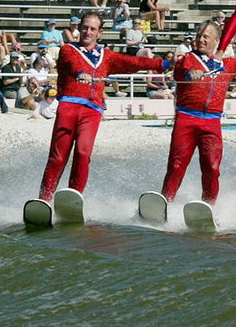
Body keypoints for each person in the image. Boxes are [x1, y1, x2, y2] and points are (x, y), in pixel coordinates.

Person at [37, 12, 166, 202]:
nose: (88, 32)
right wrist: (81, 72)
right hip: (69, 107)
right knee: (58, 157)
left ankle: (73, 198)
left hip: (92, 111)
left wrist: (163, 63)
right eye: (85, 28)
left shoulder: (106, 56)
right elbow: (72, 64)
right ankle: (44, 199)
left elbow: (134, 62)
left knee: (83, 153)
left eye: (93, 29)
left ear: (100, 33)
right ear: (79, 29)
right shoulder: (68, 50)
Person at [159, 21, 236, 205]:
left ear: (216, 41)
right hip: (187, 118)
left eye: (205, 37)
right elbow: (179, 72)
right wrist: (189, 73)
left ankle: (209, 205)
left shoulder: (228, 65)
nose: (200, 39)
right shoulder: (188, 59)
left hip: (212, 122)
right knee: (177, 165)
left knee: (212, 167)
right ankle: (165, 201)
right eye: (199, 36)